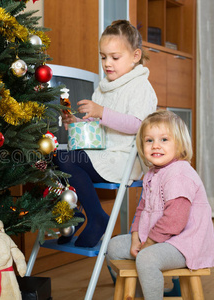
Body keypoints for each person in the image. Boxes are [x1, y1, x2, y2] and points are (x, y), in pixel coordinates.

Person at [54, 20, 157, 247]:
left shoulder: (140, 87)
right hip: (99, 153)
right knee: (56, 159)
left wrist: (101, 111)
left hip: (123, 158)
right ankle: (77, 214)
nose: (107, 63)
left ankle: (96, 218)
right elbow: (96, 127)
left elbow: (138, 124)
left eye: (115, 57)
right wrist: (76, 123)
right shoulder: (103, 87)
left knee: (66, 159)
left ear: (135, 56)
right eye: (103, 57)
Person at [106, 110, 214, 299]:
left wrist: (149, 243)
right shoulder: (151, 174)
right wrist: (135, 237)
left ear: (179, 144)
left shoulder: (179, 174)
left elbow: (175, 220)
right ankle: (139, 293)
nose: (155, 145)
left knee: (147, 258)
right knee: (114, 246)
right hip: (158, 238)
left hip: (184, 243)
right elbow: (141, 210)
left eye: (164, 139)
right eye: (149, 140)